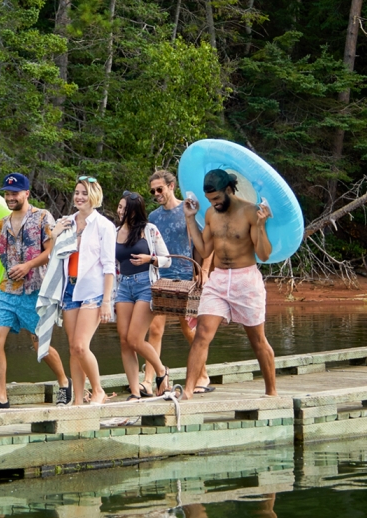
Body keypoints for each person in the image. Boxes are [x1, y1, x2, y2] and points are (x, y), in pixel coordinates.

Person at [0, 172, 70, 409]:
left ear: (26, 193)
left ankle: (64, 383)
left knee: (40, 343)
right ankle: (1, 398)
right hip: (7, 291)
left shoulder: (42, 218)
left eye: (15, 193)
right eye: (7, 193)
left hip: (35, 290)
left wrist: (28, 265)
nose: (10, 197)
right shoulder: (1, 225)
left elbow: (51, 251)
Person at [181, 169, 277, 399]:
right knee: (202, 333)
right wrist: (190, 219)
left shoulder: (249, 212)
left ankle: (271, 392)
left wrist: (261, 226)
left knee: (258, 340)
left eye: (216, 199)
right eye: (209, 200)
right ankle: (187, 392)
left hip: (246, 279)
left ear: (228, 189)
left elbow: (263, 255)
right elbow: (204, 251)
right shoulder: (211, 215)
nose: (213, 203)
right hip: (219, 280)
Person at [48, 177, 116, 405]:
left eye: (84, 193)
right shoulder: (66, 222)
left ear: (94, 196)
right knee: (73, 348)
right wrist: (54, 235)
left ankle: (98, 390)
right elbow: (53, 258)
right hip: (69, 289)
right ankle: (78, 400)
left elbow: (109, 266)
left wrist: (107, 300)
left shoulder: (104, 225)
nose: (79, 197)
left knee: (80, 345)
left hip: (93, 291)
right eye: (77, 192)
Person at [113, 191, 173, 399]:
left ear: (134, 211)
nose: (119, 211)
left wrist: (150, 258)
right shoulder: (115, 232)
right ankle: (135, 391)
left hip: (145, 285)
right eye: (119, 207)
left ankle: (161, 370)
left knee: (135, 339)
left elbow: (167, 260)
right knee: (124, 340)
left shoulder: (150, 230)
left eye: (123, 208)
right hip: (123, 287)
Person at [145, 170, 197, 356]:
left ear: (171, 186)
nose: (157, 194)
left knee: (188, 328)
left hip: (185, 275)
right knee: (155, 329)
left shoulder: (188, 209)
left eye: (160, 189)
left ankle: (202, 373)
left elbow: (201, 243)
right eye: (153, 191)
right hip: (160, 275)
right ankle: (150, 380)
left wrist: (200, 271)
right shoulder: (153, 217)